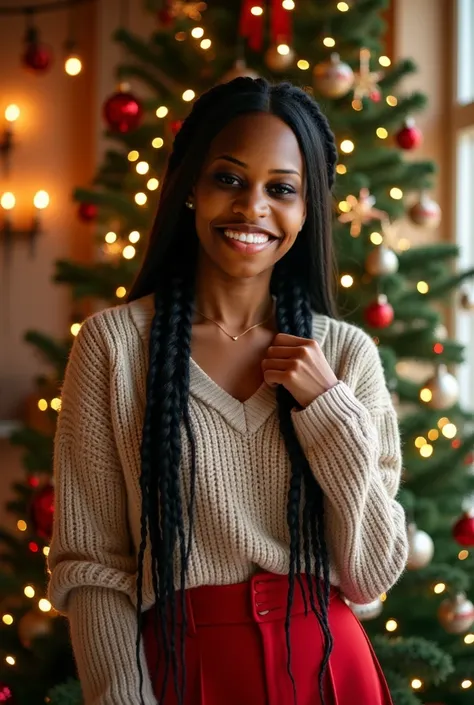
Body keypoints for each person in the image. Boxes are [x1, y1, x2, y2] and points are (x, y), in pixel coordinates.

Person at [48, 77, 408, 705]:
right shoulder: (114, 345)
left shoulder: (348, 355)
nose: (253, 209)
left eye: (282, 189)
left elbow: (371, 573)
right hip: (183, 672)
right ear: (191, 186)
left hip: (329, 671)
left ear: (306, 210)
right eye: (230, 179)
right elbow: (93, 565)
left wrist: (329, 410)